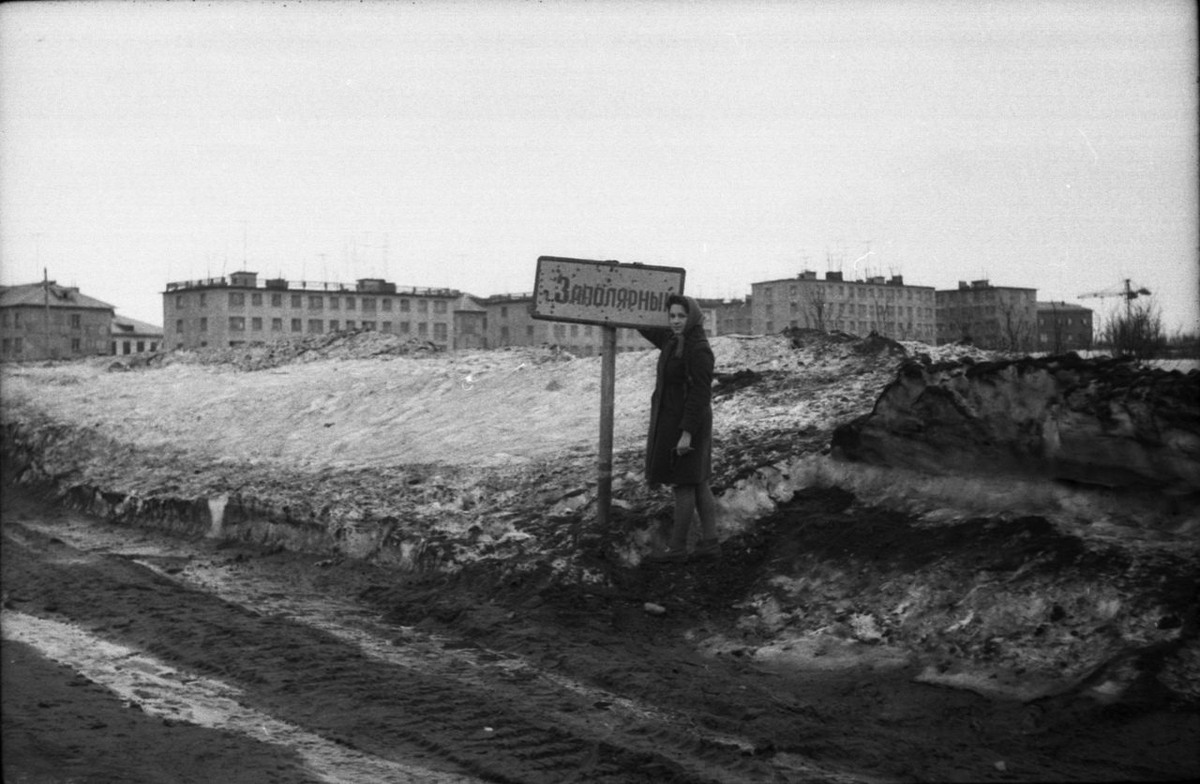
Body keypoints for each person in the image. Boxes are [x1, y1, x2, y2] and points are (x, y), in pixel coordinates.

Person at [638, 294, 719, 563]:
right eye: (671, 316)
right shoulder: (675, 341)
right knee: (699, 481)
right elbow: (654, 334)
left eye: (681, 316)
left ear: (692, 317)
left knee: (684, 484)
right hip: (678, 420)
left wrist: (686, 433)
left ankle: (677, 548)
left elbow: (700, 394)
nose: (675, 321)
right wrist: (629, 316)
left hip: (689, 422)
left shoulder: (698, 349)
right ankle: (710, 541)